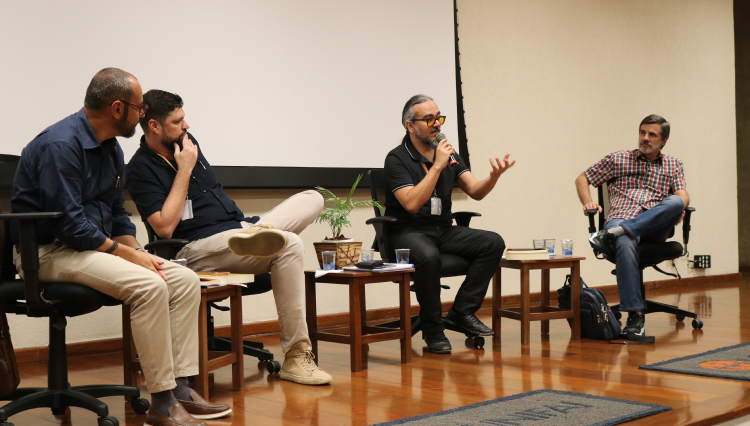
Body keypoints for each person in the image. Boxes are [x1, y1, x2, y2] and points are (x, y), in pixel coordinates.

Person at [10, 69, 229, 426]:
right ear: (117, 108)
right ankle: (161, 400)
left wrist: (139, 251)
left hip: (91, 248)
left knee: (184, 279)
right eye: (140, 108)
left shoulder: (111, 149)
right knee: (149, 285)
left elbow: (116, 215)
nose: (143, 115)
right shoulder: (60, 145)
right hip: (48, 252)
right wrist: (129, 256)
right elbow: (71, 225)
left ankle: (182, 389)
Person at [125, 89, 332, 386]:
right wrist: (184, 169)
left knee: (313, 198)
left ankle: (258, 234)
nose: (187, 126)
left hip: (239, 229)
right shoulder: (140, 169)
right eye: (178, 121)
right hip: (195, 249)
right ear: (155, 126)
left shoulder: (188, 143)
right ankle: (297, 356)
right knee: (291, 244)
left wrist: (247, 228)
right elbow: (165, 229)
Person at [383, 94, 513, 354]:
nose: (437, 124)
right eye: (428, 119)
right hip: (406, 232)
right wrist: (436, 167)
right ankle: (433, 330)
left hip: (442, 229)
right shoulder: (397, 158)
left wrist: (494, 177)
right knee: (428, 256)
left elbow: (475, 190)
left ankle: (461, 311)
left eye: (439, 117)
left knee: (492, 242)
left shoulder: (449, 154)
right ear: (410, 126)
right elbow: (411, 204)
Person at [576, 114, 689, 337]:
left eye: (652, 135)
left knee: (676, 201)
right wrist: (587, 201)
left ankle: (619, 232)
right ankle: (635, 316)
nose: (645, 138)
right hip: (621, 217)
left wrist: (679, 207)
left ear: (663, 140)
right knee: (625, 239)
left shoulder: (673, 164)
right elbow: (582, 177)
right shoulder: (618, 159)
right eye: (642, 133)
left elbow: (682, 195)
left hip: (654, 226)